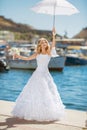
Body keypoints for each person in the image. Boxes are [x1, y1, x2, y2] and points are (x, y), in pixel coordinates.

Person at [12, 28, 65, 122]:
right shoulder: (37, 53)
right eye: (42, 42)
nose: (44, 43)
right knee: (34, 91)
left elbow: (53, 45)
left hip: (46, 74)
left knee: (46, 92)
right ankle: (32, 111)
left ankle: (47, 112)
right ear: (40, 44)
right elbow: (28, 58)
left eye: (45, 42)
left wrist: (53, 35)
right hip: (37, 74)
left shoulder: (49, 52)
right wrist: (18, 56)